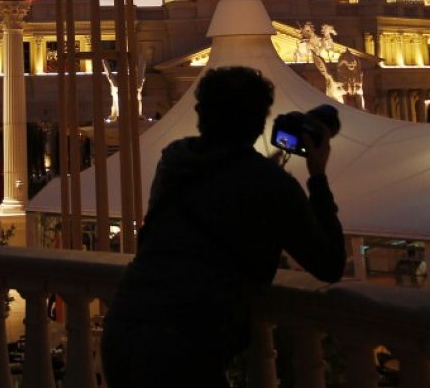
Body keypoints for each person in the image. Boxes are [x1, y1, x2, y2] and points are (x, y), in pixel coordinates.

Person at [100, 66, 346, 388]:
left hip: (123, 324)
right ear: (260, 120)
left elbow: (220, 186)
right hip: (186, 343)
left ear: (202, 114)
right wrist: (318, 175)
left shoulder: (173, 161)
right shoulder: (269, 184)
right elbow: (329, 263)